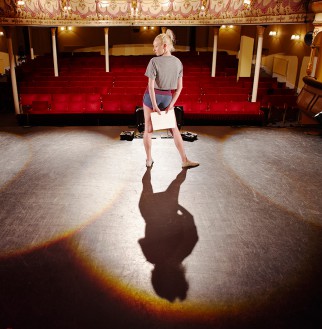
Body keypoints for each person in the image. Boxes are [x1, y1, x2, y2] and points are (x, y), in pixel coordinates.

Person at [142, 29, 199, 169]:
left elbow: (150, 86)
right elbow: (179, 88)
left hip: (152, 97)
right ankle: (184, 159)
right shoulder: (178, 62)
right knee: (174, 130)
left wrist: (154, 105)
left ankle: (149, 160)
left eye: (156, 46)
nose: (154, 49)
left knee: (148, 130)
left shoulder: (153, 61)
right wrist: (171, 105)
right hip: (168, 97)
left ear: (165, 46)